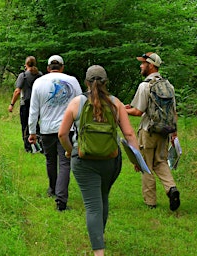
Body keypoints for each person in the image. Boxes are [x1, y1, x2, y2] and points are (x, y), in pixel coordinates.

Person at [58, 65, 140, 256]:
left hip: (83, 160)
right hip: (110, 160)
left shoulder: (76, 103)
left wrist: (71, 152)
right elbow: (128, 133)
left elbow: (62, 134)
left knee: (92, 205)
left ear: (86, 82)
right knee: (102, 198)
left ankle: (98, 251)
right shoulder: (116, 103)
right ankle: (99, 235)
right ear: (106, 82)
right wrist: (136, 159)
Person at [125, 52, 181, 211]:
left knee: (147, 165)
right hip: (164, 131)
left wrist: (123, 109)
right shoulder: (168, 85)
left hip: (148, 131)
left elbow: (137, 111)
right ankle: (171, 189)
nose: (141, 66)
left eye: (143, 63)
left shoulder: (145, 85)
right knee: (161, 161)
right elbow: (173, 111)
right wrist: (174, 133)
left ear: (151, 65)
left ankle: (150, 202)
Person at [28, 55, 82, 210]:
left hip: (46, 129)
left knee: (50, 160)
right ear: (62, 67)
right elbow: (80, 105)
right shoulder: (72, 81)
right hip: (68, 130)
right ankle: (61, 199)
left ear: (47, 68)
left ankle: (52, 188)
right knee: (65, 163)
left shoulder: (39, 82)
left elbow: (33, 109)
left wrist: (32, 131)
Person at [9, 56, 43, 153]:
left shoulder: (23, 75)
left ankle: (28, 148)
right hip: (38, 104)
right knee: (36, 124)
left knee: (25, 125)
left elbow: (17, 91)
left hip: (25, 104)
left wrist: (12, 104)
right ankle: (41, 145)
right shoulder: (40, 75)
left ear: (26, 64)